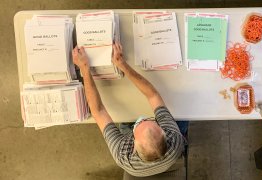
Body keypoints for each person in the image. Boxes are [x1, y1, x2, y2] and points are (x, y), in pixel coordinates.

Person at [72, 43, 186, 177]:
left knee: (125, 122)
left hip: (138, 151)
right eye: (150, 121)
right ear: (164, 133)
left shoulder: (122, 153)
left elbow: (98, 111)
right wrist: (122, 64)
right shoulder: (174, 139)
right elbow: (153, 95)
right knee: (182, 119)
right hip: (168, 152)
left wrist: (84, 69)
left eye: (138, 125)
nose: (142, 118)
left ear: (133, 145)